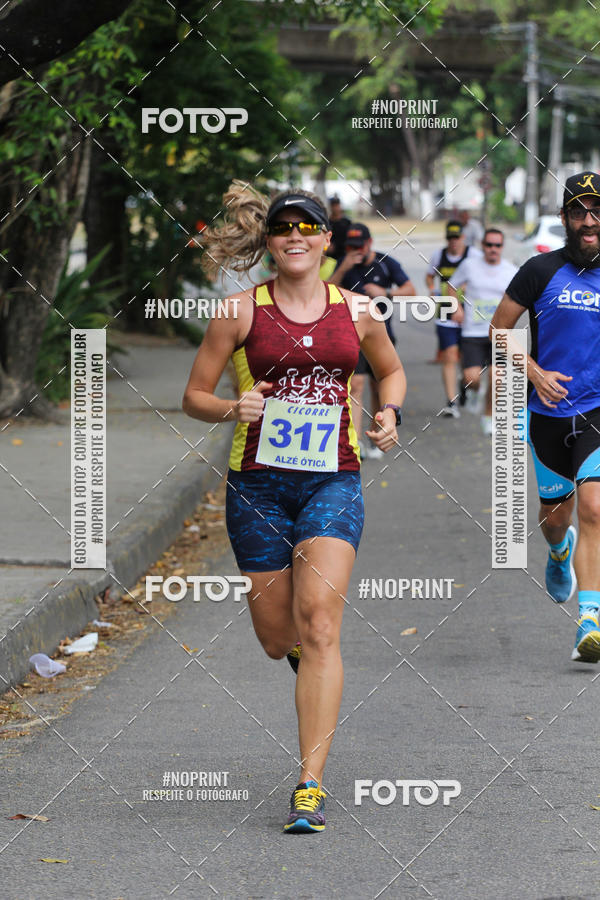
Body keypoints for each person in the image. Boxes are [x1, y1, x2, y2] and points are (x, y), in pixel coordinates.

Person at [182, 181, 406, 831]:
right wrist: (233, 407)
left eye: (308, 228)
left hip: (332, 480)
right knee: (278, 638)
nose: (295, 237)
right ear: (271, 241)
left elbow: (390, 371)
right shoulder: (238, 312)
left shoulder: (358, 312)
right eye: (283, 228)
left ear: (326, 240)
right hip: (256, 486)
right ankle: (309, 665)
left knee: (321, 624)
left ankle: (310, 785)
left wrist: (390, 412)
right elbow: (193, 396)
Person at [491, 171, 600, 663]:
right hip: (549, 413)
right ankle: (559, 552)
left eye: (596, 211)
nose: (588, 221)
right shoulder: (540, 270)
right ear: (564, 218)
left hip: (597, 411)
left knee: (594, 507)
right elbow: (499, 330)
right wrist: (533, 372)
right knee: (556, 518)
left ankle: (589, 621)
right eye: (578, 211)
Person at [330, 222, 415, 458]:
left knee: (379, 386)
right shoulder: (344, 263)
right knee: (355, 385)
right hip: (349, 335)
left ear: (369, 243)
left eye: (360, 246)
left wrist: (386, 293)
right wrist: (342, 268)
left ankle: (376, 433)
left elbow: (411, 290)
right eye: (351, 246)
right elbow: (326, 292)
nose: (355, 251)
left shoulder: (385, 263)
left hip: (381, 334)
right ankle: (355, 441)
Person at [447, 228, 517, 435]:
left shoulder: (511, 271)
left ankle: (489, 417)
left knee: (497, 377)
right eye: (489, 245)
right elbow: (451, 285)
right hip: (472, 332)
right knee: (472, 378)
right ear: (482, 245)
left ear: (502, 247)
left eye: (497, 245)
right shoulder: (469, 265)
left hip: (499, 333)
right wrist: (456, 307)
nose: (493, 249)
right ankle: (470, 389)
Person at [425, 220, 481, 417]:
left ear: (463, 237)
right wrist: (432, 289)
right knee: (449, 356)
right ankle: (451, 402)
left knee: (468, 364)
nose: (453, 241)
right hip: (445, 312)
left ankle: (465, 385)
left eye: (456, 237)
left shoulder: (473, 255)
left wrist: (467, 285)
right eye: (450, 238)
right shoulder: (439, 255)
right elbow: (429, 275)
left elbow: (483, 276)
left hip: (469, 315)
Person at [326, 196, 351, 261]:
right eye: (333, 205)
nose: (335, 208)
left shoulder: (347, 222)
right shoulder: (327, 222)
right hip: (330, 257)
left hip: (343, 256)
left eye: (336, 205)